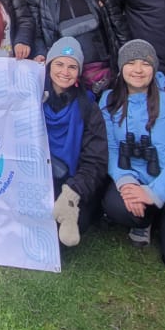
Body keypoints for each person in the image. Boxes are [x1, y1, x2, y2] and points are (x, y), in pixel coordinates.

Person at [99, 40, 165, 279]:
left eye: (145, 63)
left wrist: (155, 193)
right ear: (120, 67)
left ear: (154, 67)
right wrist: (125, 181)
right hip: (137, 180)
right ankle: (144, 221)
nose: (138, 69)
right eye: (131, 62)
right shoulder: (109, 99)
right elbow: (112, 148)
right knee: (116, 204)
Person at [43, 37, 108, 248]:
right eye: (59, 64)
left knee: (58, 239)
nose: (65, 72)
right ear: (49, 65)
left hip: (73, 181)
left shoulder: (88, 107)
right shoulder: (32, 100)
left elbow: (95, 161)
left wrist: (73, 191)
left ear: (79, 71)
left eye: (72, 66)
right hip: (40, 176)